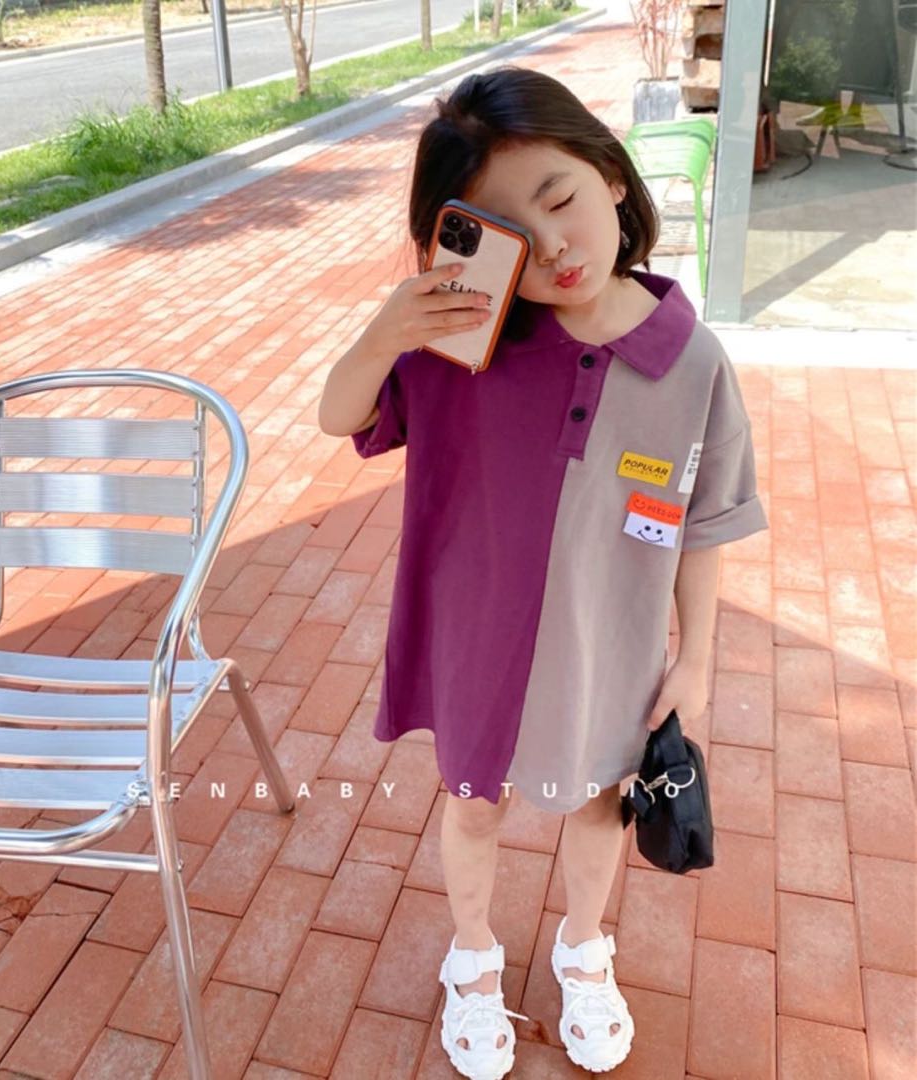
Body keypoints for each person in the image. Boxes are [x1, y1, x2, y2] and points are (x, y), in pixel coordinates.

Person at [317, 66, 768, 1078]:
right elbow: (340, 415)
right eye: (511, 231)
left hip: (609, 639)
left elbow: (706, 520)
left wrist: (696, 657)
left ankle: (583, 947)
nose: (553, 246)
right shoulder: (460, 347)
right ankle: (473, 957)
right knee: (475, 803)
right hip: (478, 634)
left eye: (559, 198)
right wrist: (389, 327)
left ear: (610, 172)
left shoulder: (690, 361)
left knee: (597, 801)